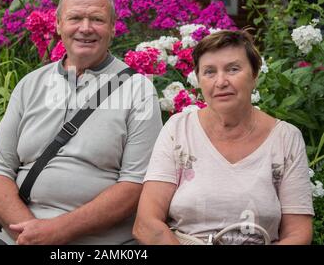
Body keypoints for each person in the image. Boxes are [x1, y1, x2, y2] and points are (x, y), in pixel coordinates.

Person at [0, 0, 163, 245]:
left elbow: (135, 186)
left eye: (97, 19)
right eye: (75, 18)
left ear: (113, 27)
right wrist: (30, 234)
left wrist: (56, 232)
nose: (86, 28)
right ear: (58, 25)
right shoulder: (30, 85)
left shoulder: (139, 91)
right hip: (21, 237)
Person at [133, 30, 314, 245]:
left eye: (233, 69)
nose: (221, 81)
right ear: (199, 80)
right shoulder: (178, 130)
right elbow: (146, 223)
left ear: (254, 75)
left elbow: (298, 234)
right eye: (209, 72)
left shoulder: (286, 139)